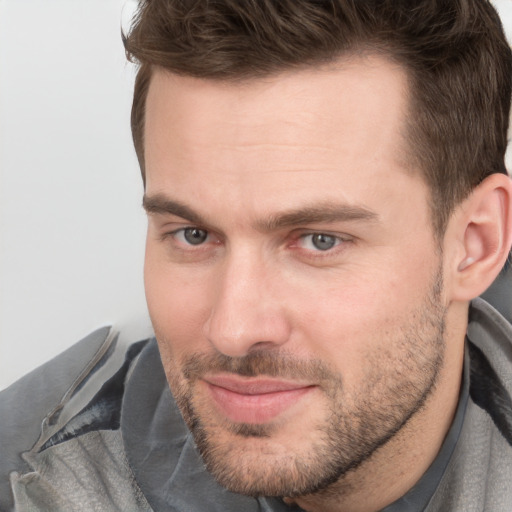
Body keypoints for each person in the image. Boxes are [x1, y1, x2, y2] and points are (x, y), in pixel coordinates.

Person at [1, 0, 512, 510]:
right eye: (193, 235)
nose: (234, 330)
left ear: (474, 244)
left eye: (319, 240)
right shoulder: (29, 478)